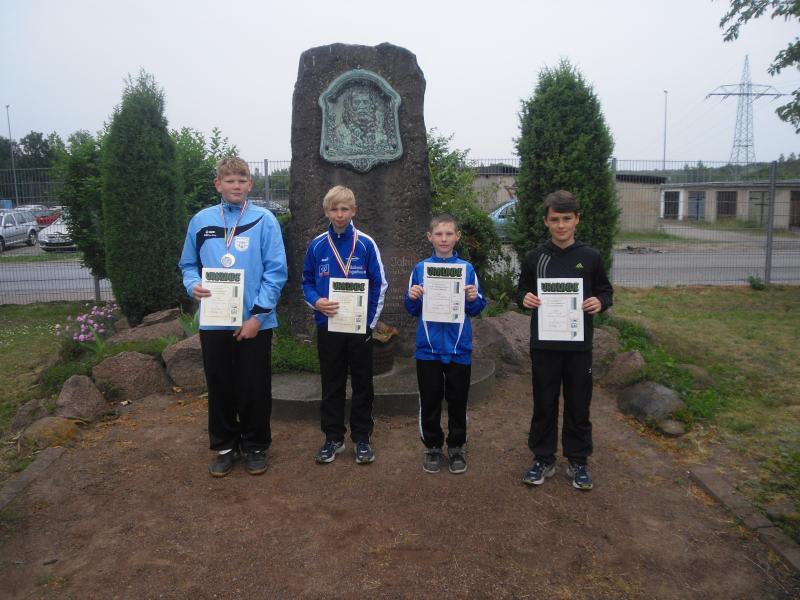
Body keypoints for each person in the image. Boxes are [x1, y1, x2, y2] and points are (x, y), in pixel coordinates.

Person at [178, 157, 287, 477]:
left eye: (242, 180)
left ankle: (255, 446)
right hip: (214, 319)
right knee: (220, 384)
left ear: (250, 184)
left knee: (254, 386)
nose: (236, 185)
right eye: (230, 180)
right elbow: (188, 264)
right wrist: (192, 285)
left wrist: (257, 316)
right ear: (218, 185)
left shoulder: (265, 220)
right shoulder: (201, 221)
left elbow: (276, 272)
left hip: (255, 322)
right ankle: (225, 446)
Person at [516, 190, 613, 490]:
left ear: (577, 220)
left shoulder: (590, 256)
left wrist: (600, 302)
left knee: (578, 403)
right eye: (555, 219)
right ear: (546, 221)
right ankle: (543, 458)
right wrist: (525, 298)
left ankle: (578, 460)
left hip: (578, 346)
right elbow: (521, 290)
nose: (561, 225)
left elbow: (605, 291)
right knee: (544, 403)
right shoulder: (535, 257)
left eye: (567, 219)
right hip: (544, 345)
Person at [302, 185, 387, 465]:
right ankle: (333, 438)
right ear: (326, 212)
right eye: (334, 209)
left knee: (363, 383)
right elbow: (306, 282)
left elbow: (380, 284)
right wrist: (316, 302)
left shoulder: (366, 244)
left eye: (344, 209)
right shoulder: (317, 245)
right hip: (328, 326)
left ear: (354, 211)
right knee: (332, 383)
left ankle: (362, 438)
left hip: (359, 327)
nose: (339, 214)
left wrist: (369, 323)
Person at [405, 214, 486, 474]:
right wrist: (413, 296)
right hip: (427, 349)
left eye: (449, 234)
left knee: (458, 401)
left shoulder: (467, 269)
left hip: (458, 348)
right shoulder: (420, 269)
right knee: (430, 400)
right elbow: (411, 309)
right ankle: (432, 446)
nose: (443, 239)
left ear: (457, 237)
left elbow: (477, 308)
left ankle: (457, 446)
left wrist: (473, 298)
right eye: (438, 234)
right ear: (429, 237)